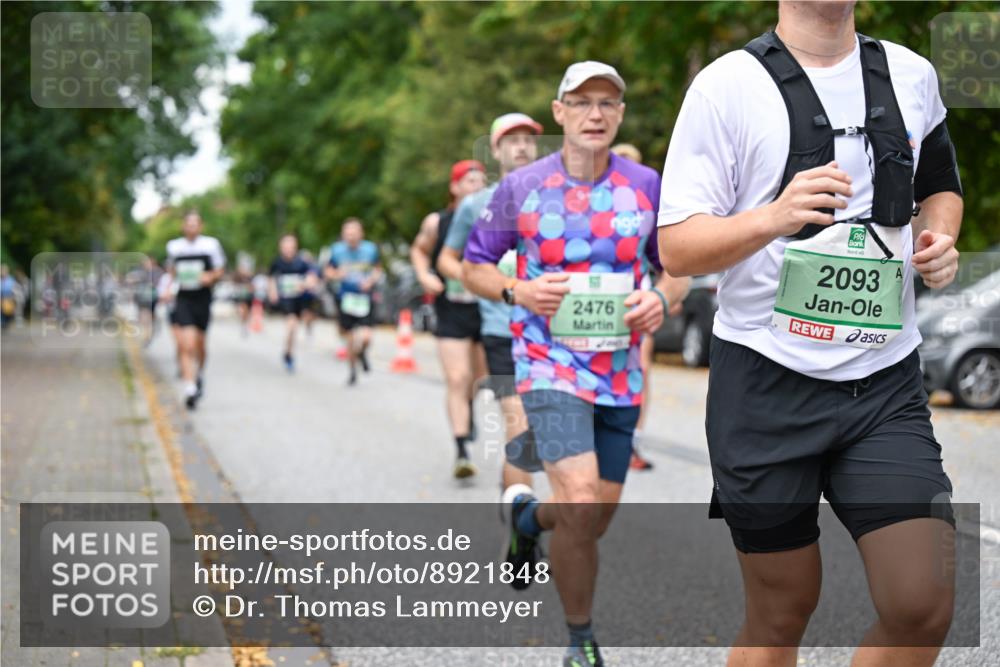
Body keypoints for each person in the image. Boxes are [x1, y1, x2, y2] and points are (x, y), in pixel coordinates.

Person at [657, 2, 963, 665]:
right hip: (763, 384)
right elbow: (677, 247)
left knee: (922, 603)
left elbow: (940, 185)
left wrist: (939, 238)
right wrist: (774, 216)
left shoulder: (911, 74)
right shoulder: (725, 86)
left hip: (883, 384)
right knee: (780, 611)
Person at [463, 61, 689, 667]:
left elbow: (678, 266)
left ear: (620, 114)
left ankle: (528, 520)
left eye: (607, 103)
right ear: (559, 112)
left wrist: (661, 297)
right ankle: (580, 640)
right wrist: (518, 291)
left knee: (590, 518)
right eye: (582, 102)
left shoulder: (647, 184)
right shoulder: (520, 187)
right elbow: (472, 266)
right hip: (549, 365)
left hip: (620, 372)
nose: (595, 113)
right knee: (583, 500)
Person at [438, 114, 543, 495]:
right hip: (503, 329)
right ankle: (521, 512)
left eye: (528, 139)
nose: (521, 146)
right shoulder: (475, 204)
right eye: (512, 140)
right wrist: (480, 281)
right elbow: (448, 259)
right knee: (519, 424)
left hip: (556, 333)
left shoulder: (562, 198)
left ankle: (517, 495)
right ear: (496, 150)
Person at [410, 160, 489, 479]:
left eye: (482, 181)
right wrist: (424, 275)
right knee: (457, 378)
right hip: (451, 309)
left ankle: (467, 410)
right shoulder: (437, 222)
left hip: (486, 311)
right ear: (454, 187)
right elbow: (419, 250)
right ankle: (461, 451)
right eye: (470, 181)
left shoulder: (494, 220)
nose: (477, 186)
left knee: (478, 379)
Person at [610, 142, 662, 471]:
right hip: (600, 304)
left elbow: (662, 255)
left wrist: (663, 294)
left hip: (637, 300)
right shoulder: (596, 204)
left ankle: (633, 441)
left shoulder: (646, 205)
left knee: (641, 369)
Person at [165, 211, 226, 409]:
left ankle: (199, 374)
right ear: (183, 226)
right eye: (188, 223)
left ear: (200, 226)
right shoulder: (174, 247)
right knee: (186, 345)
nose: (191, 227)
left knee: (200, 346)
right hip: (184, 299)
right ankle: (190, 387)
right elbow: (171, 271)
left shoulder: (211, 245)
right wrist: (168, 289)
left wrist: (210, 277)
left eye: (195, 224)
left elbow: (220, 270)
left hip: (203, 299)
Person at [326, 218, 382, 385]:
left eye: (354, 232)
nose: (351, 236)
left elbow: (377, 269)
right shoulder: (336, 251)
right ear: (343, 235)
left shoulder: (370, 249)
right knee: (350, 338)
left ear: (361, 233)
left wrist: (370, 281)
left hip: (364, 297)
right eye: (347, 233)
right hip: (346, 298)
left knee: (366, 337)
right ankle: (352, 371)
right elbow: (328, 271)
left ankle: (362, 352)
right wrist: (337, 275)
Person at [268, 233, 319, 373]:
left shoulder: (302, 262)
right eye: (285, 246)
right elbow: (271, 278)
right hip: (286, 298)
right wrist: (272, 292)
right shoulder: (277, 262)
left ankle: (292, 347)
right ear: (281, 247)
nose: (288, 249)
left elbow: (312, 276)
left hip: (301, 299)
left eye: (291, 246)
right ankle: (289, 353)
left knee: (304, 319)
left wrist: (305, 283)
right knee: (292, 325)